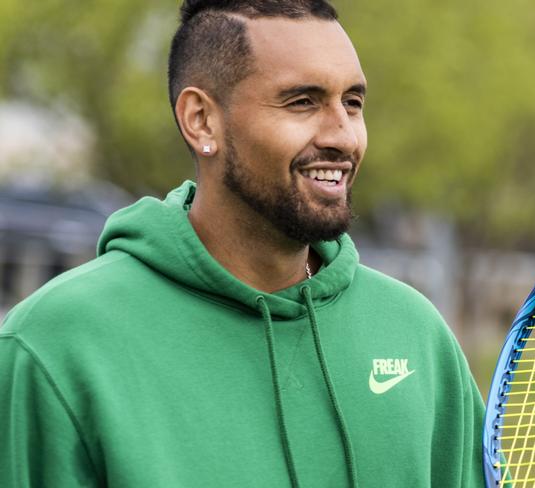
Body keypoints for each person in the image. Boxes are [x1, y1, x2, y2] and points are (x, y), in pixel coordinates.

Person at [0, 1, 486, 487]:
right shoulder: (56, 343)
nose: (343, 135)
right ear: (201, 120)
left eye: (352, 103)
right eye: (303, 102)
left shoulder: (413, 332)